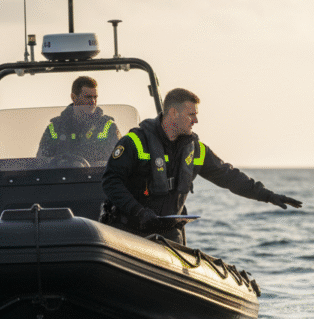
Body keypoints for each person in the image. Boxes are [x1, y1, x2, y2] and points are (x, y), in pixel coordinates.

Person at [100, 87, 302, 244]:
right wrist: (139, 212)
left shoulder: (195, 149)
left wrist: (269, 196)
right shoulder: (134, 142)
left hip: (168, 236)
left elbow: (229, 176)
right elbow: (111, 182)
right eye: (191, 114)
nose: (196, 120)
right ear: (173, 113)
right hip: (130, 233)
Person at [36, 76, 121, 166]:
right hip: (62, 179)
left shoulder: (108, 126)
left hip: (98, 179)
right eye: (88, 97)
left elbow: (121, 160)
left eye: (95, 97)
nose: (93, 102)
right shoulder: (55, 128)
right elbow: (41, 163)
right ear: (73, 97)